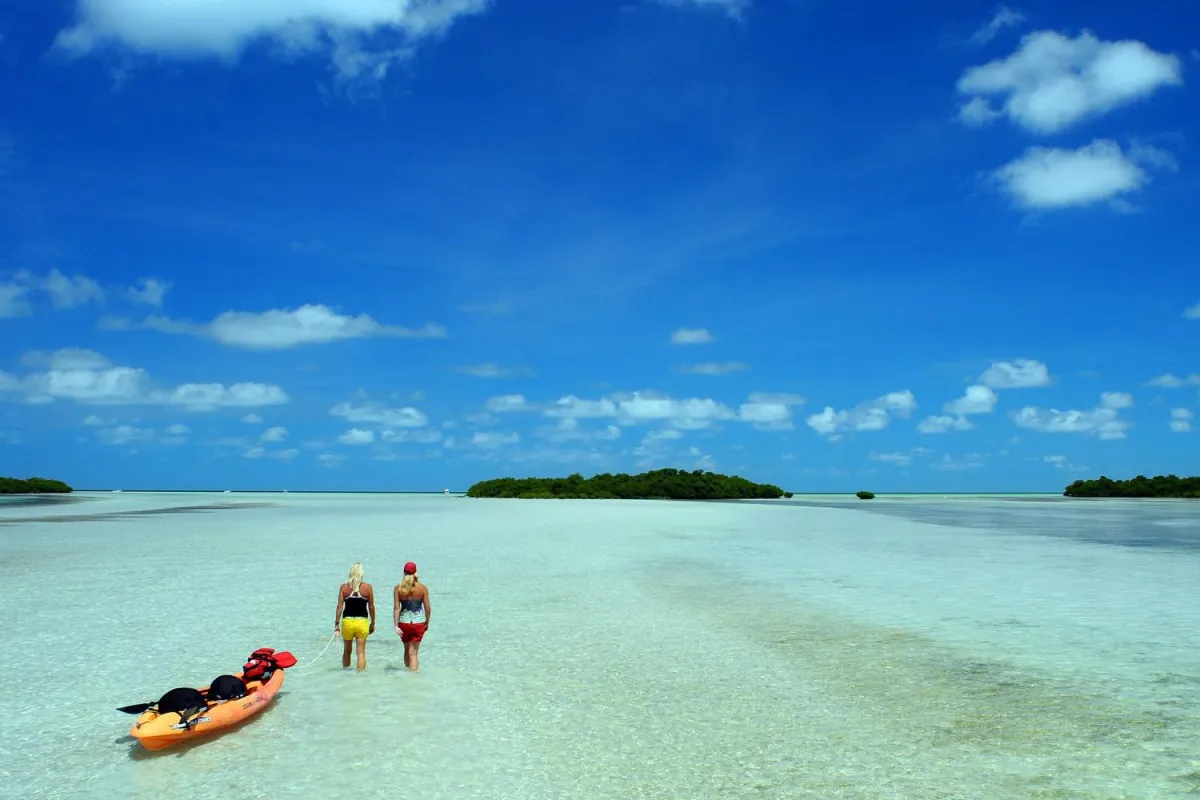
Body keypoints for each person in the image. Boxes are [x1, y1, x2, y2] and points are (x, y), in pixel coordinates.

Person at [334, 562, 376, 671]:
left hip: (347, 622)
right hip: (362, 622)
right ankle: (360, 677)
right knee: (361, 652)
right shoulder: (367, 587)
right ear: (361, 573)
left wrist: (337, 623)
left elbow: (339, 607)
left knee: (347, 650)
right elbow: (371, 607)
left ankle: (345, 673)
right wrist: (373, 623)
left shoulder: (344, 587)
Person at [393, 561, 431, 672]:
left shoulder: (398, 588)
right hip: (418, 622)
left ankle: (407, 673)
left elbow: (396, 608)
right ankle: (413, 677)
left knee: (406, 650)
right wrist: (427, 622)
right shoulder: (422, 588)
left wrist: (396, 625)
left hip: (404, 623)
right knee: (413, 653)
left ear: (404, 572)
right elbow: (427, 609)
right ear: (415, 573)